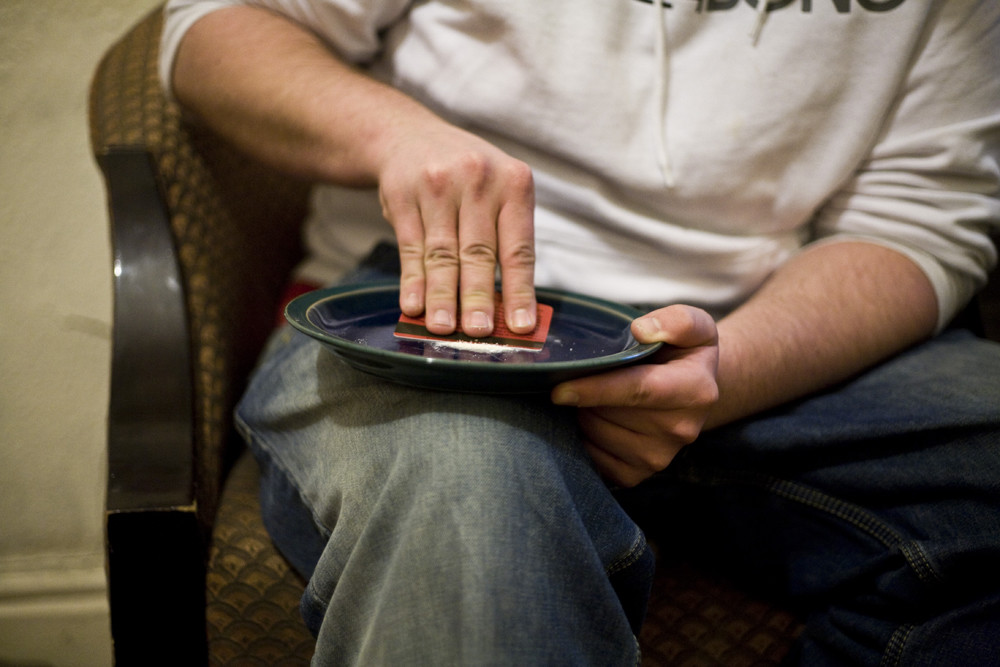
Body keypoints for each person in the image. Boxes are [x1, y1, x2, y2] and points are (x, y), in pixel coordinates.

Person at [160, 0, 1000, 664]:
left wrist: (728, 369)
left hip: (759, 319)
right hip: (418, 295)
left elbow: (919, 221)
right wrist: (394, 133)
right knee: (468, 492)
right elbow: (214, 27)